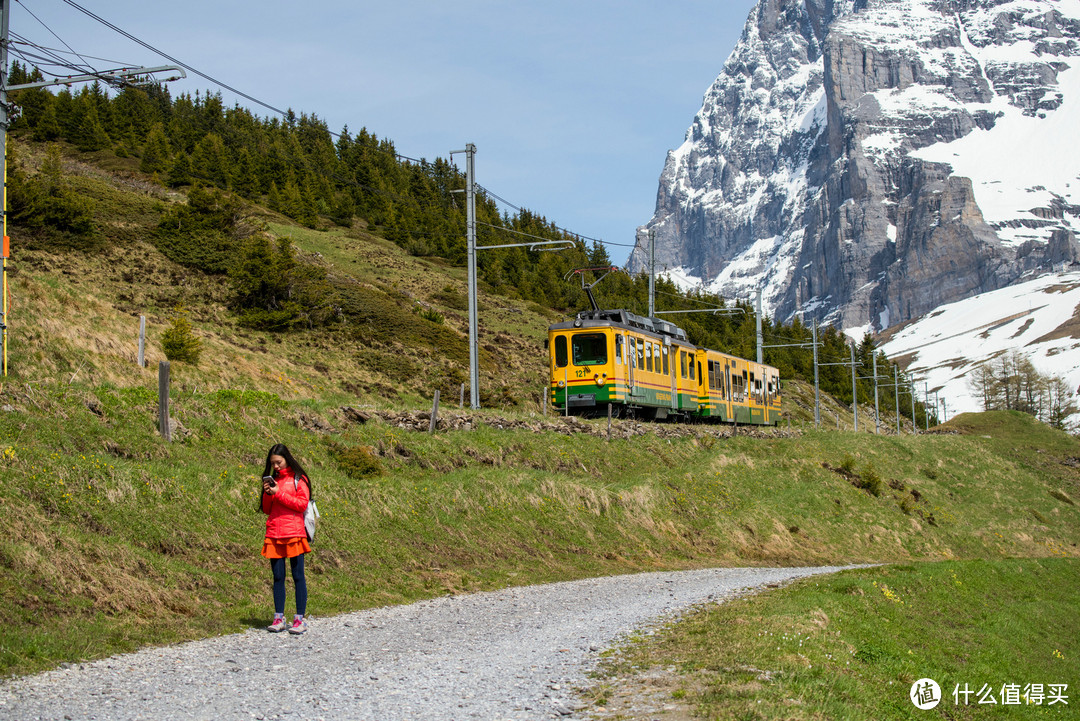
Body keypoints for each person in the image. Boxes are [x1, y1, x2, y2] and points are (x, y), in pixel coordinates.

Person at [259, 443, 312, 634]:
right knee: (278, 577)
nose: (276, 467)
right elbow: (266, 509)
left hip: (295, 532)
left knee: (298, 576)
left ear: (287, 459)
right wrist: (267, 494)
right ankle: (278, 617)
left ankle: (300, 619)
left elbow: (301, 504)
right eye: (272, 463)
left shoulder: (299, 479)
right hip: (274, 533)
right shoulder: (273, 480)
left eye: (278, 462)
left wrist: (278, 493)